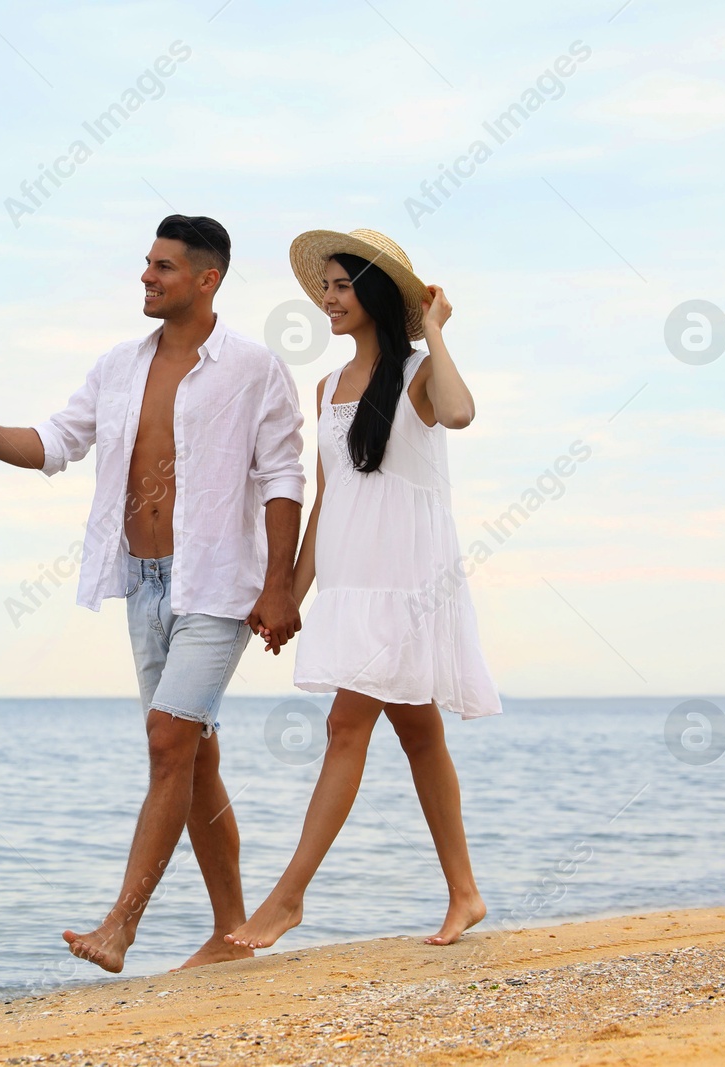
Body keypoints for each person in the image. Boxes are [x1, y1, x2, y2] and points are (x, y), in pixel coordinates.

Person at [0, 215, 306, 972]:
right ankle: (232, 932)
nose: (146, 277)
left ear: (207, 278)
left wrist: (280, 584)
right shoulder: (118, 367)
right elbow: (53, 443)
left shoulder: (253, 367)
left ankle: (120, 925)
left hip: (217, 587)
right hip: (142, 580)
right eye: (146, 264)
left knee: (168, 743)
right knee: (193, 757)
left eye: (162, 266)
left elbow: (283, 476)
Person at [227, 228, 502, 952]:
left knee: (346, 726)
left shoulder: (417, 373)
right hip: (354, 583)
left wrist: (435, 331)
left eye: (343, 286)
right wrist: (287, 590)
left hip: (411, 582)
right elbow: (330, 501)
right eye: (326, 286)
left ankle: (287, 899)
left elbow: (463, 412)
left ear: (377, 294)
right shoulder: (327, 388)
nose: (328, 298)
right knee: (417, 732)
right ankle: (465, 892)